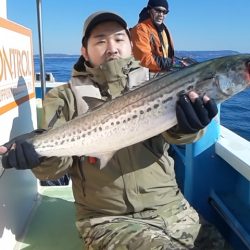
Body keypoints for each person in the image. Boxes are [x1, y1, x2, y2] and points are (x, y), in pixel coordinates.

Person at [0, 11, 230, 250]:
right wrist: (38, 157)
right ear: (85, 51)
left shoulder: (157, 83)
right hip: (107, 220)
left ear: (131, 45)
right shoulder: (64, 97)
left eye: (119, 39)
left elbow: (176, 135)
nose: (111, 48)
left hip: (173, 208)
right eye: (100, 40)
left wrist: (188, 127)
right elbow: (55, 168)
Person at [130, 0, 175, 76]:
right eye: (158, 10)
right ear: (149, 10)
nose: (161, 14)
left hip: (162, 73)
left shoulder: (164, 29)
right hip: (146, 76)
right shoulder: (140, 29)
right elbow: (143, 59)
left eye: (164, 12)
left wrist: (169, 63)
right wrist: (165, 63)